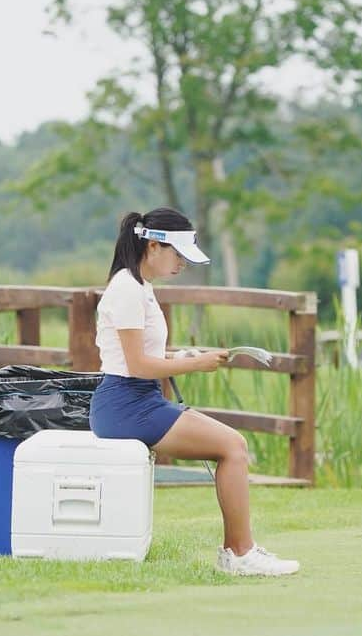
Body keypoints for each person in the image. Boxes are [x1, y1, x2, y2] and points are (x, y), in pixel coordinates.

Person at [89, 206, 300, 575]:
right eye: (179, 255)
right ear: (154, 246)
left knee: (232, 446)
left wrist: (185, 355)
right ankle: (239, 553)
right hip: (126, 404)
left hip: (138, 399)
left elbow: (144, 355)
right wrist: (195, 365)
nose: (183, 265)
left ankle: (239, 550)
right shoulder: (126, 289)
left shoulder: (140, 287)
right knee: (233, 446)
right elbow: (137, 365)